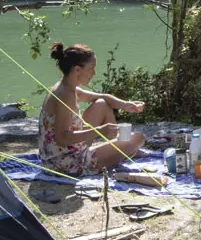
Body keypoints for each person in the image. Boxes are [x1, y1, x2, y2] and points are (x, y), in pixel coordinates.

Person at [38, 42, 145, 176]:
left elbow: (103, 97)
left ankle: (121, 149)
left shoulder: (67, 87)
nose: (94, 73)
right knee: (138, 138)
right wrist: (99, 130)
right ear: (77, 70)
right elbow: (62, 138)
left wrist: (126, 104)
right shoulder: (64, 95)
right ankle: (124, 150)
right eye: (91, 68)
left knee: (101, 103)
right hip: (65, 164)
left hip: (66, 152)